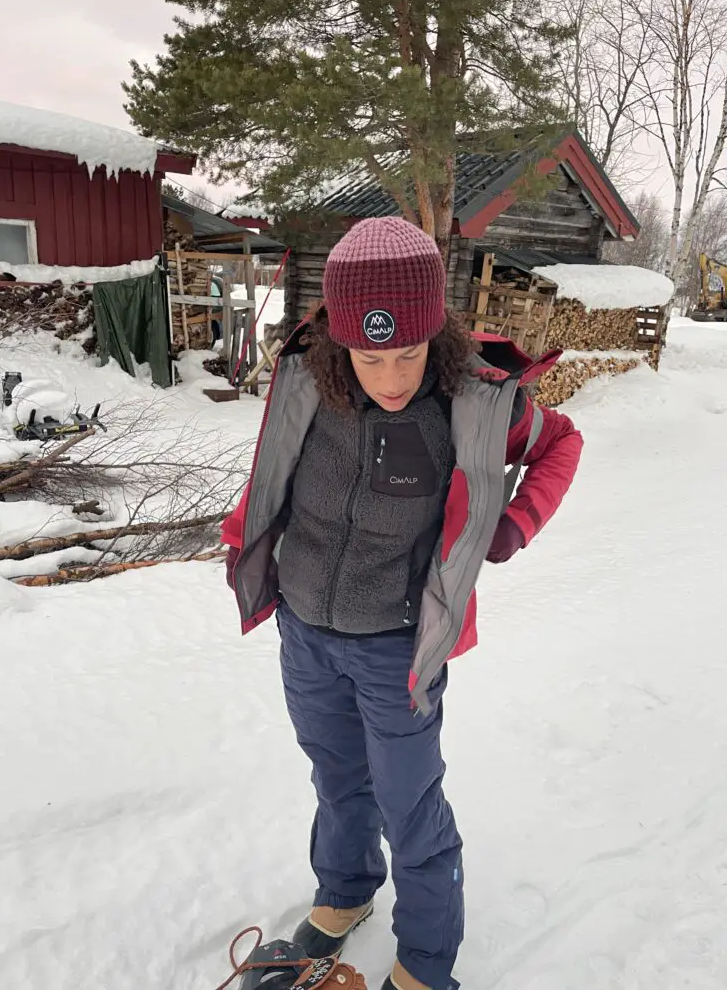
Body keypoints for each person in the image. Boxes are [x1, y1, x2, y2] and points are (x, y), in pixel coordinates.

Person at [222, 217, 583, 990]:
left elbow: (563, 443)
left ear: (436, 337)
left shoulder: (478, 404)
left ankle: (424, 962)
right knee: (334, 773)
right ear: (337, 343)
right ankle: (347, 890)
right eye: (371, 355)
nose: (391, 377)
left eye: (409, 354)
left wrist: (516, 522)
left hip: (397, 646)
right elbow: (276, 473)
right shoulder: (304, 381)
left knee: (408, 802)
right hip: (305, 629)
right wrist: (243, 531)